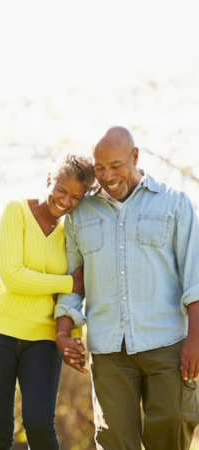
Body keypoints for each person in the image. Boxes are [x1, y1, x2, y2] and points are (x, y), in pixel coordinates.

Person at [55, 126, 199, 450]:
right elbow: (71, 281)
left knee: (173, 426)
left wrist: (196, 338)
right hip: (109, 350)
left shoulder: (174, 204)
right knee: (115, 440)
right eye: (100, 168)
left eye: (116, 165)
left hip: (168, 343)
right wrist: (64, 332)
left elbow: (195, 276)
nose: (107, 176)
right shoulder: (80, 214)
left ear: (135, 157)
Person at [0, 153, 96, 450]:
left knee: (39, 423)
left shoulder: (70, 233)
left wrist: (73, 336)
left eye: (76, 197)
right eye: (61, 190)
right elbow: (13, 277)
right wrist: (68, 282)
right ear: (49, 180)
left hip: (42, 338)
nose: (66, 200)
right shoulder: (15, 211)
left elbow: (73, 292)